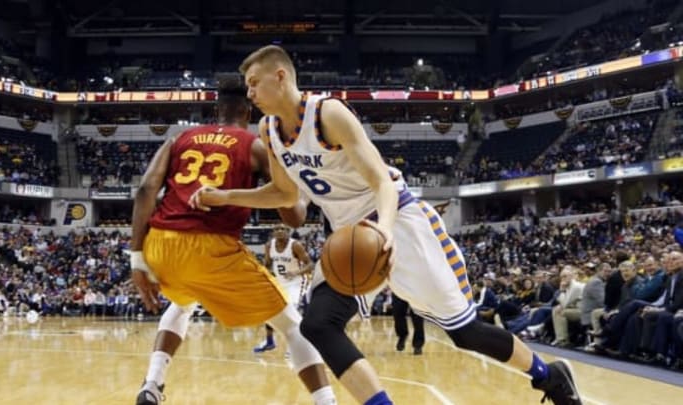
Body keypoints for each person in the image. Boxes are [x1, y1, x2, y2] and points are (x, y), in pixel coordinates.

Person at [191, 45, 581, 405]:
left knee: (465, 333)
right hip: (348, 237)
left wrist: (386, 232)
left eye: (254, 83)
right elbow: (284, 194)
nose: (250, 93)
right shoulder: (269, 133)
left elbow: (381, 181)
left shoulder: (328, 113)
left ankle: (549, 376)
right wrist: (224, 197)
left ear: (281, 77)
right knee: (318, 325)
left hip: (397, 222)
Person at [130, 76, 336, 405]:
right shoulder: (254, 144)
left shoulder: (179, 137)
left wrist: (137, 260)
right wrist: (306, 192)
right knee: (293, 324)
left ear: (217, 109)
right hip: (209, 246)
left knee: (182, 304)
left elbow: (145, 191)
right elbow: (294, 216)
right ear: (248, 112)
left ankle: (152, 385)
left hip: (159, 243)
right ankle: (326, 401)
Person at [254, 224, 314, 353]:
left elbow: (310, 265)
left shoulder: (295, 245)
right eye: (277, 229)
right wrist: (264, 271)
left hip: (297, 282)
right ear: (273, 232)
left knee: (291, 309)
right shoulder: (269, 245)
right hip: (280, 282)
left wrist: (296, 272)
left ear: (289, 231)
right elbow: (268, 263)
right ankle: (269, 342)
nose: (280, 231)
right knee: (269, 310)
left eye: (284, 229)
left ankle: (297, 345)